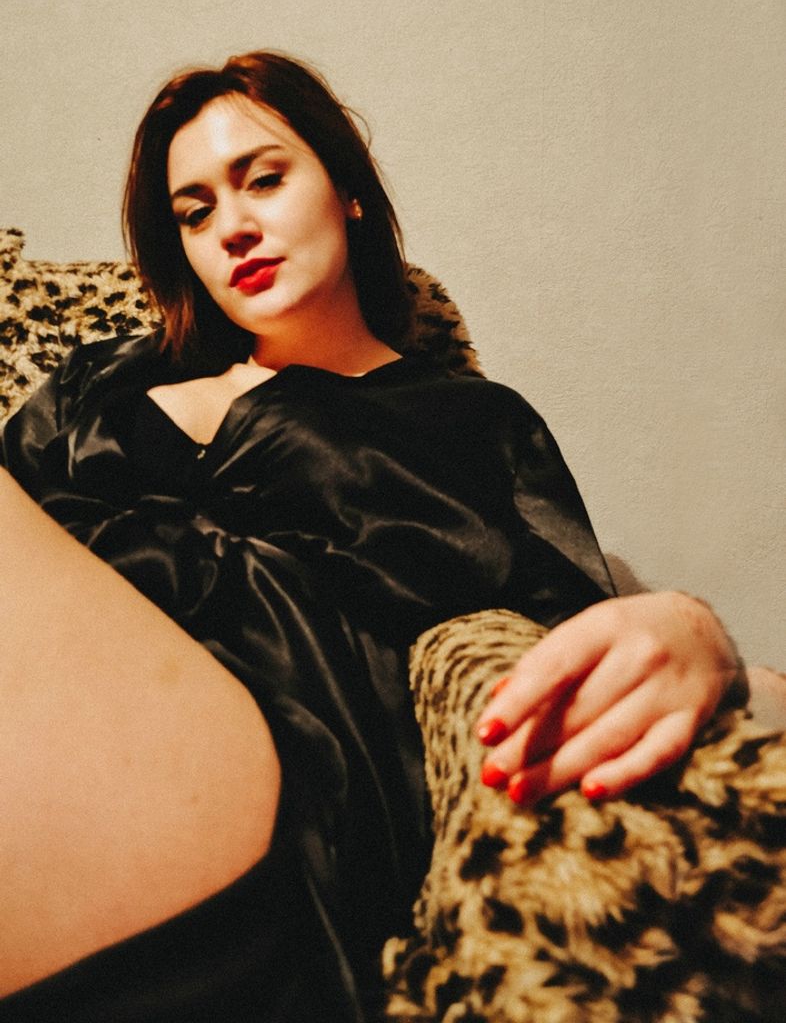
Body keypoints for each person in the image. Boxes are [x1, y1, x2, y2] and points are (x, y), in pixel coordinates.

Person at [0, 51, 746, 1022]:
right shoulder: (105, 383)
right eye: (194, 212)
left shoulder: (469, 421)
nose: (233, 227)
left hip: (253, 788)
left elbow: (581, 626)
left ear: (348, 190)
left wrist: (699, 633)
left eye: (264, 179)